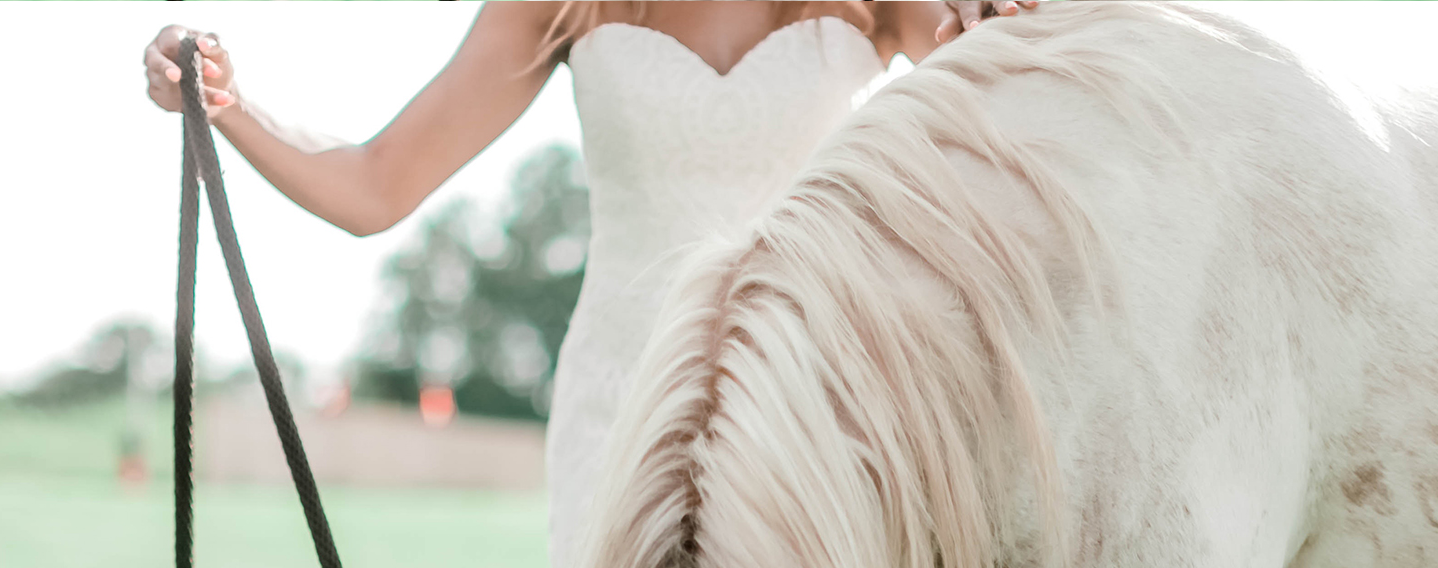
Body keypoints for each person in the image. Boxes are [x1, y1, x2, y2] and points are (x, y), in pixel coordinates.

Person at [138, 2, 1035, 564]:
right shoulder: (560, 5)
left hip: (817, 400)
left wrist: (1000, 29)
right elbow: (375, 184)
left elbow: (1019, 72)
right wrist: (223, 100)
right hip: (621, 399)